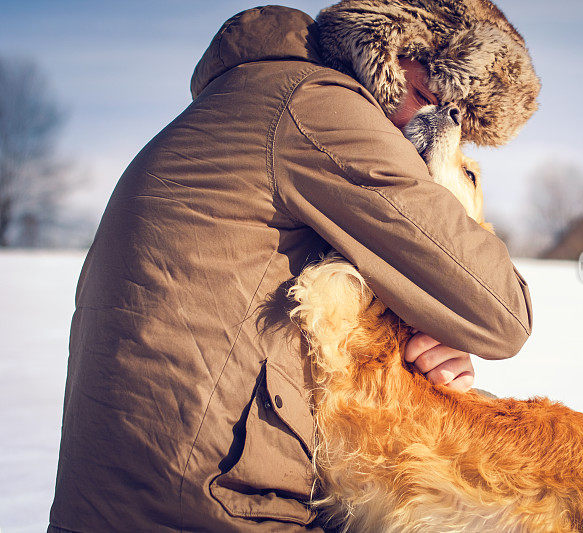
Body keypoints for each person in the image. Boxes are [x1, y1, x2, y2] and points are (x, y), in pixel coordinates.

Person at [49, 1, 539, 531]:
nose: (423, 124)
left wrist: (428, 331)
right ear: (391, 44)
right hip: (211, 506)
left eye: (452, 112)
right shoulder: (317, 106)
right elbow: (502, 312)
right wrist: (453, 306)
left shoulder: (251, 103)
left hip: (133, 496)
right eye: (424, 94)